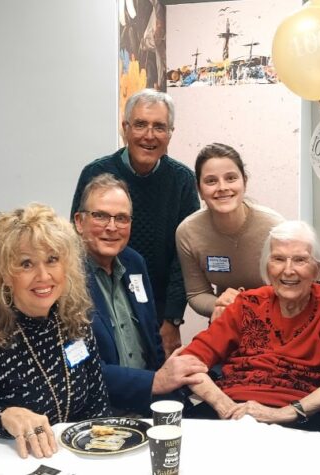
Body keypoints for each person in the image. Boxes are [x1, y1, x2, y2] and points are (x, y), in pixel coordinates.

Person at [181, 221, 320, 433]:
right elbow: (189, 361)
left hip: (304, 420)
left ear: (318, 268)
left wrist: (287, 412)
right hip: (233, 413)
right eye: (278, 259)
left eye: (300, 260)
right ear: (267, 267)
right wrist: (224, 406)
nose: (288, 270)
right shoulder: (247, 304)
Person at [0, 204, 110, 460]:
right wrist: (3, 418)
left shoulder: (76, 323)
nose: (43, 275)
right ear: (4, 274)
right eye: (26, 264)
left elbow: (98, 406)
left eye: (52, 260)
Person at [71, 89, 200, 357]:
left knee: (153, 371)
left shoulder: (183, 180)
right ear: (125, 128)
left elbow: (185, 257)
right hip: (100, 303)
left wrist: (172, 319)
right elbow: (76, 241)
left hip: (160, 309)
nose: (149, 135)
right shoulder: (96, 173)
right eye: (140, 124)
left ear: (170, 134)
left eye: (159, 127)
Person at [74, 174, 207, 415]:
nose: (112, 227)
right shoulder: (64, 277)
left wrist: (168, 375)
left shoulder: (134, 263)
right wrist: (154, 381)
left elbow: (151, 338)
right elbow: (76, 367)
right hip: (100, 410)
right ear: (79, 221)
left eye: (122, 218)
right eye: (100, 215)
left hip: (149, 403)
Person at [176, 143, 283, 321]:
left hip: (276, 322)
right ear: (200, 190)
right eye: (211, 181)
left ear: (245, 182)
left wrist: (249, 304)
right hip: (227, 322)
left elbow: (292, 288)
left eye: (231, 178)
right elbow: (197, 293)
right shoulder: (188, 232)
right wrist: (219, 305)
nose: (222, 187)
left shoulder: (275, 228)